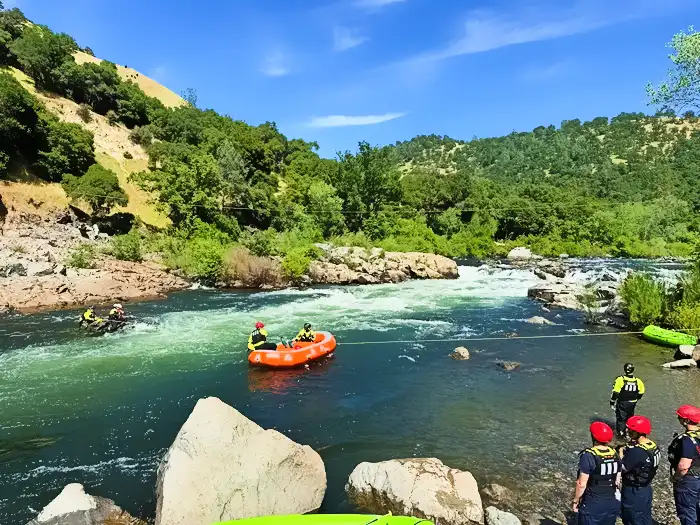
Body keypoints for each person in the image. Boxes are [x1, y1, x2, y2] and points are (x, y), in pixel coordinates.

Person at [573, 421, 621, 525]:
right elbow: (617, 480)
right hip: (611, 502)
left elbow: (581, 484)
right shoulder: (615, 453)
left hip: (593, 502)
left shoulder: (589, 456)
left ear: (593, 437)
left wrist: (576, 500)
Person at [619, 416, 660, 525]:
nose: (628, 432)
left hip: (634, 490)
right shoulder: (653, 445)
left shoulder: (638, 451)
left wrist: (621, 453)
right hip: (646, 488)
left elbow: (622, 468)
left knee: (632, 519)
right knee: (645, 518)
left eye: (630, 430)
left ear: (637, 432)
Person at [668, 405, 700, 525]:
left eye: (679, 417)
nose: (678, 419)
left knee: (686, 511)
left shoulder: (687, 440)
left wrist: (675, 478)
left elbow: (683, 466)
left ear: (686, 420)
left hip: (688, 480)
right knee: (696, 507)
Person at [610, 363, 645, 438]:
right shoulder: (638, 381)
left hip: (622, 402)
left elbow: (616, 392)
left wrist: (612, 402)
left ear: (624, 370)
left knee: (621, 419)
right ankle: (630, 433)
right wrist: (636, 399)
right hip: (632, 403)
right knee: (630, 418)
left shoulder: (620, 379)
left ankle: (621, 435)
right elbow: (641, 392)